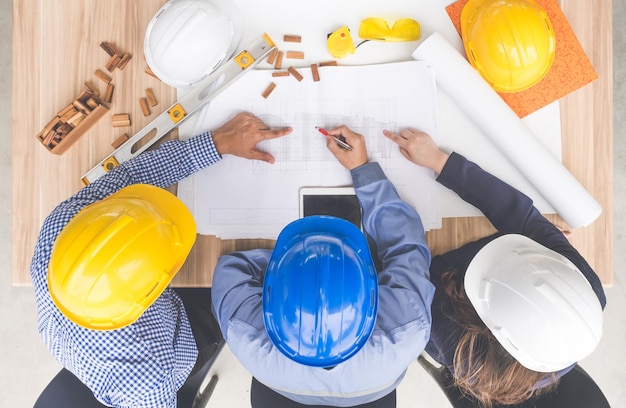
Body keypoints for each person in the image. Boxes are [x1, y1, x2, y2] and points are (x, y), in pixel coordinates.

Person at [30, 112, 292, 408]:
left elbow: (127, 178)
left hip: (84, 348)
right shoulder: (149, 375)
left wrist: (216, 143)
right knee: (228, 287)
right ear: (153, 293)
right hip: (173, 350)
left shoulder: (62, 227)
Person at [211, 126, 436, 407]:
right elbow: (406, 245)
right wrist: (363, 169)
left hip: (283, 388)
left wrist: (292, 265)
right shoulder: (406, 328)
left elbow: (231, 269)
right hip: (364, 387)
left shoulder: (247, 334)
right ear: (370, 291)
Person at [384, 128, 606, 407]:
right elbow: (522, 217)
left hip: (433, 282)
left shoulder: (463, 350)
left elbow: (409, 282)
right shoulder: (580, 291)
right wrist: (439, 161)